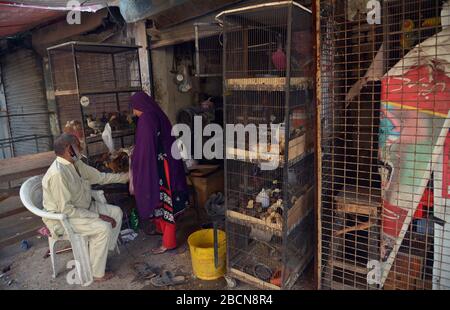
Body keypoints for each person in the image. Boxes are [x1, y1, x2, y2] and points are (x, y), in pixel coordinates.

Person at [42, 133, 129, 282]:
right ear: (69, 149)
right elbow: (66, 210)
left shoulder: (77, 163)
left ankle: (99, 256)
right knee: (103, 227)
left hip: (83, 208)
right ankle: (97, 273)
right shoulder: (58, 174)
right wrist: (98, 216)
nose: (81, 147)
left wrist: (127, 177)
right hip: (64, 218)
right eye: (78, 145)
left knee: (116, 213)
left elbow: (100, 177)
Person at [130, 91, 188, 254]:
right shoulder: (157, 114)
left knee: (165, 202)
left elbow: (146, 148)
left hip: (161, 169)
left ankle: (169, 243)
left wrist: (136, 162)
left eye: (134, 108)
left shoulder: (146, 119)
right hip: (166, 163)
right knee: (163, 202)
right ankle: (164, 234)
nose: (134, 112)